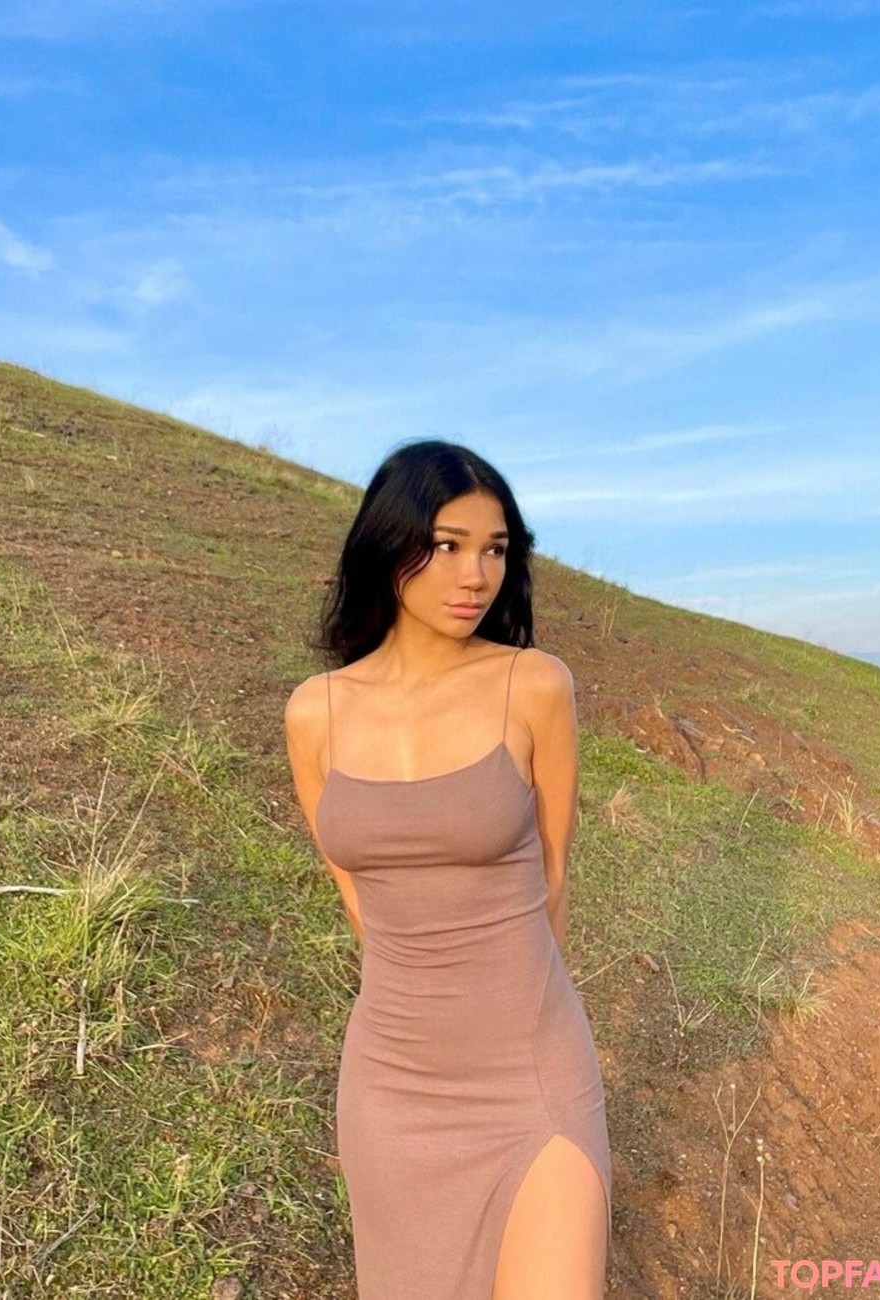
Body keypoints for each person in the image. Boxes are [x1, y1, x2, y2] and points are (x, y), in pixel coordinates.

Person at [284, 439, 613, 1300]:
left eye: (495, 549)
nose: (476, 576)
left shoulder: (534, 686)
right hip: (393, 1087)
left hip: (529, 1075)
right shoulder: (315, 713)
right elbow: (362, 906)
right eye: (447, 544)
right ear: (388, 545)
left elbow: (553, 881)